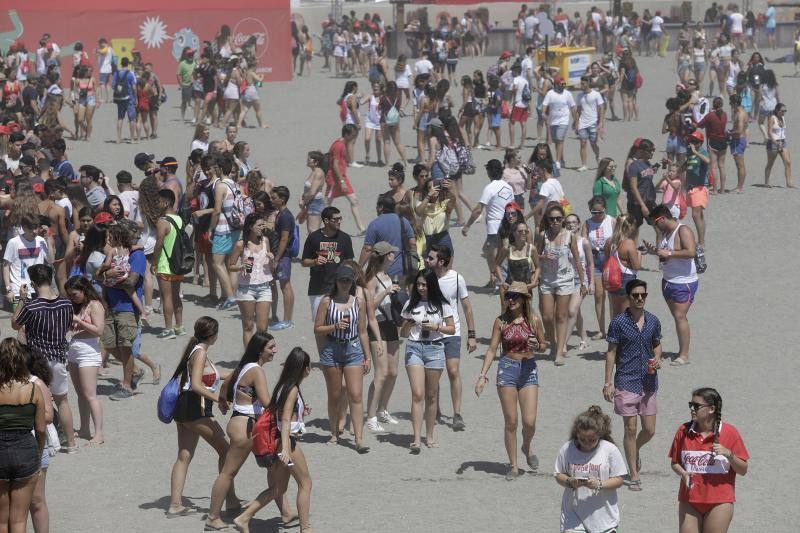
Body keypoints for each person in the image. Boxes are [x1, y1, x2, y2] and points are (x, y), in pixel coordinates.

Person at [205, 333, 296, 530]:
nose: (275, 350)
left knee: (272, 468)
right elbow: (267, 403)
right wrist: (291, 406)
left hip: (239, 421)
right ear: (260, 350)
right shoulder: (256, 371)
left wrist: (223, 403)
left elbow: (225, 385)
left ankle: (287, 513)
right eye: (271, 347)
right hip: (245, 426)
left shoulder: (243, 367)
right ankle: (212, 517)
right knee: (228, 472)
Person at [232, 348, 313, 533]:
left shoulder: (283, 385)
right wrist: (286, 448)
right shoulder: (292, 389)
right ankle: (306, 528)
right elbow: (285, 420)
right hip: (287, 442)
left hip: (277, 440)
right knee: (305, 483)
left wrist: (301, 410)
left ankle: (244, 518)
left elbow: (283, 413)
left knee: (278, 488)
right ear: (305, 369)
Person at [168, 317, 240, 518]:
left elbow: (212, 375)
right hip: (196, 409)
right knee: (226, 451)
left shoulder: (196, 350)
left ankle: (175, 505)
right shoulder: (200, 353)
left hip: (183, 409)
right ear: (213, 335)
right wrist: (220, 399)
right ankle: (231, 500)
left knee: (184, 456)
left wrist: (238, 373)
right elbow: (197, 385)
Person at [475, 281, 545, 479]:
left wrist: (538, 346)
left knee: (529, 422)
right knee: (511, 422)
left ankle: (526, 446)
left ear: (524, 299)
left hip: (528, 369)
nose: (511, 300)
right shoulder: (501, 322)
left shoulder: (534, 320)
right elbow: (491, 349)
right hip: (507, 369)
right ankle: (514, 466)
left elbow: (544, 345)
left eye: (515, 296)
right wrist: (482, 376)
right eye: (508, 296)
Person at [602, 279, 662, 491]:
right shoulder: (618, 323)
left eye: (643, 295)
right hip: (626, 380)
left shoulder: (653, 321)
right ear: (628, 297)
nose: (639, 299)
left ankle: (633, 450)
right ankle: (634, 475)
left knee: (649, 430)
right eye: (635, 295)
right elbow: (611, 353)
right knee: (630, 428)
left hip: (648, 381)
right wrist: (608, 382)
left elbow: (657, 344)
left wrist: (658, 358)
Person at [11, 264, 75, 455]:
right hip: (59, 358)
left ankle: (43, 446)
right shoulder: (66, 304)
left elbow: (15, 324)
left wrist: (21, 299)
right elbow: (68, 327)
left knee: (37, 403)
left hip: (38, 361)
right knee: (63, 401)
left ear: (33, 283)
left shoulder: (31, 306)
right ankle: (71, 443)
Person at [668, 387, 749, 533]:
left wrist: (730, 454)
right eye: (691, 405)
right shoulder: (683, 431)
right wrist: (683, 473)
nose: (692, 409)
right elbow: (675, 463)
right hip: (689, 501)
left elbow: (743, 469)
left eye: (696, 406)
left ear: (711, 409)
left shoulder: (729, 433)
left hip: (719, 502)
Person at [313, 265, 372, 452]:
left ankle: (359, 438)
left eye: (348, 281)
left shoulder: (358, 302)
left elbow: (362, 331)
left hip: (353, 348)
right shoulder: (327, 302)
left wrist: (368, 356)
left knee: (356, 394)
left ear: (352, 282)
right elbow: (317, 328)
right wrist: (335, 326)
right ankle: (333, 433)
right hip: (332, 348)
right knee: (335, 395)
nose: (345, 284)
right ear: (336, 281)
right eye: (342, 280)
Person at [400, 270, 455, 453]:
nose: (421, 288)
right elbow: (402, 334)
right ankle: (416, 438)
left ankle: (429, 435)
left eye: (424, 284)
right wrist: (407, 325)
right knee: (417, 394)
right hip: (414, 347)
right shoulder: (410, 303)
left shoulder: (442, 304)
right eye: (418, 284)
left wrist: (436, 327)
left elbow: (452, 329)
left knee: (431, 395)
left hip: (435, 348)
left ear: (432, 284)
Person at [425, 244, 477, 431]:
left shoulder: (456, 278)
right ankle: (435, 409)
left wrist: (471, 335)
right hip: (432, 332)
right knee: (434, 373)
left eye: (430, 258)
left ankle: (457, 413)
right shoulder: (426, 277)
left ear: (441, 261)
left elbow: (467, 307)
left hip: (452, 331)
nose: (426, 260)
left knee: (453, 371)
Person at [95, 220, 146, 400]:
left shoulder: (137, 256)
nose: (109, 238)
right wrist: (106, 275)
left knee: (125, 346)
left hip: (127, 308)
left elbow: (131, 282)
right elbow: (97, 275)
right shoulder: (114, 252)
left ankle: (127, 385)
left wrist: (107, 280)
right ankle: (136, 371)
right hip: (110, 306)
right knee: (108, 343)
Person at [554, 406, 627, 533]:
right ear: (577, 433)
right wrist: (570, 482)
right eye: (582, 439)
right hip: (573, 514)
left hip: (603, 517)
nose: (586, 443)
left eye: (591, 440)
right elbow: (558, 474)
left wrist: (599, 484)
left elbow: (619, 479)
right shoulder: (567, 448)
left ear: (599, 434)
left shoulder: (610, 450)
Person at [0, 338, 46, 533]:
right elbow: (41, 429)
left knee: (1, 520)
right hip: (25, 450)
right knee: (19, 520)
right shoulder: (33, 389)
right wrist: (38, 452)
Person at [645, 205, 699, 366]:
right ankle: (682, 351)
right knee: (677, 317)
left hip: (684, 281)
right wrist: (655, 252)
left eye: (655, 222)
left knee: (680, 317)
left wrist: (668, 253)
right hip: (668, 280)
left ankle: (684, 355)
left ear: (662, 218)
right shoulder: (665, 233)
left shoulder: (683, 230)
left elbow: (691, 252)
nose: (655, 226)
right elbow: (666, 255)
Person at [537, 203, 586, 366]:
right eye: (552, 219)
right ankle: (553, 343)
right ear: (548, 220)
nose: (555, 222)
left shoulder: (569, 236)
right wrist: (543, 257)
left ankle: (559, 352)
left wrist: (583, 282)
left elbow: (577, 260)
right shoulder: (543, 235)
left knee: (561, 316)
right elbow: (534, 255)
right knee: (547, 316)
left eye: (558, 218)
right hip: (547, 279)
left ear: (563, 219)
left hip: (565, 279)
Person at [364, 243, 402, 432]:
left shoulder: (388, 275)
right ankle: (371, 417)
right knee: (381, 374)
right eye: (391, 252)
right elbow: (369, 306)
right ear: (385, 255)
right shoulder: (372, 278)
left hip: (390, 324)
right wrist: (386, 292)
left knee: (393, 372)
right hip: (376, 326)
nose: (394, 254)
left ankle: (382, 410)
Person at [64, 276, 105, 445]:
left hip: (88, 352)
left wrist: (79, 321)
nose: (72, 298)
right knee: (80, 394)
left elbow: (99, 330)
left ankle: (99, 434)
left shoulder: (95, 305)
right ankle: (84, 428)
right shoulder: (78, 306)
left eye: (74, 294)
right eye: (70, 295)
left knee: (90, 395)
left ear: (84, 290)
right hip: (74, 350)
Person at [462, 159, 515, 287]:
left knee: (496, 255)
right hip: (508, 225)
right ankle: (494, 277)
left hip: (495, 227)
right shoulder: (508, 187)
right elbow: (513, 206)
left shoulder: (489, 188)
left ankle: (498, 281)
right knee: (487, 250)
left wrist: (467, 226)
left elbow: (478, 210)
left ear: (489, 172)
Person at [228, 213, 274, 347]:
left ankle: (259, 353)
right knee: (248, 326)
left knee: (262, 328)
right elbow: (230, 265)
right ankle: (249, 356)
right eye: (259, 225)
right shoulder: (241, 245)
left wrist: (272, 260)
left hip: (264, 286)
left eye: (263, 225)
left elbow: (271, 266)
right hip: (246, 288)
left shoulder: (265, 241)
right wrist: (240, 267)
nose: (262, 228)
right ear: (250, 226)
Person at [151, 189, 185, 339]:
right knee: (176, 296)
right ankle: (179, 326)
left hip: (165, 264)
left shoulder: (162, 221)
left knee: (167, 297)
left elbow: (159, 244)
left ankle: (168, 328)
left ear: (166, 202)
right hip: (177, 264)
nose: (157, 204)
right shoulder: (179, 219)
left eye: (158, 201)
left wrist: (154, 262)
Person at [3, 214, 53, 310]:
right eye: (31, 228)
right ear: (23, 227)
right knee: (20, 319)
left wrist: (48, 239)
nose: (34, 231)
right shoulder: (13, 242)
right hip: (19, 289)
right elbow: (6, 266)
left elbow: (51, 260)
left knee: (38, 319)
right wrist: (8, 289)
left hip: (38, 289)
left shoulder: (41, 241)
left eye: (36, 228)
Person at [359, 195, 415, 280]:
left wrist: (358, 268)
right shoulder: (404, 221)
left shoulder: (375, 224)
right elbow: (412, 243)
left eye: (377, 206)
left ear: (381, 207)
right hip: (402, 269)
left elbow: (367, 249)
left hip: (382, 271)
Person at [583, 196, 615, 340]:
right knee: (599, 295)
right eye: (593, 212)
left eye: (599, 212)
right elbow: (583, 242)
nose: (596, 215)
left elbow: (619, 238)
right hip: (594, 260)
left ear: (605, 209)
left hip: (609, 259)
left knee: (613, 296)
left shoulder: (611, 221)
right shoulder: (587, 223)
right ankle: (601, 329)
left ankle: (614, 328)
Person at [327, 124, 367, 234]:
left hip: (342, 177)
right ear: (346, 134)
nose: (354, 138)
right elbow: (335, 165)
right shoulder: (338, 146)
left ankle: (362, 229)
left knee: (354, 201)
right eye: (353, 135)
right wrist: (341, 181)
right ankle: (317, 227)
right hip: (335, 179)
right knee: (326, 204)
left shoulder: (343, 144)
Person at [269, 186, 296, 330]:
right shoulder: (281, 214)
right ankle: (287, 320)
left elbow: (284, 239)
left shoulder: (285, 216)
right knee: (285, 286)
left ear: (282, 199)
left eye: (274, 198)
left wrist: (276, 259)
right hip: (282, 255)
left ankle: (287, 320)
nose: (271, 200)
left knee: (285, 286)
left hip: (283, 256)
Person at [604, 214, 641, 317]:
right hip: (626, 278)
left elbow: (607, 261)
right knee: (627, 314)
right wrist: (639, 254)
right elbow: (636, 266)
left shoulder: (609, 241)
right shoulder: (629, 243)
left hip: (612, 278)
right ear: (629, 226)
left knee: (615, 312)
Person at [542, 76, 577, 169]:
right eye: (561, 84)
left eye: (564, 84)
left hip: (563, 120)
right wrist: (543, 113)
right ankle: (561, 160)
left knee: (560, 139)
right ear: (556, 85)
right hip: (553, 121)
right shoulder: (550, 93)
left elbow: (573, 107)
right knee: (556, 141)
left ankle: (557, 161)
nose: (563, 85)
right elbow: (544, 105)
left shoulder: (568, 94)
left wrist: (575, 120)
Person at [683, 132, 710, 252]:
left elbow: (708, 161)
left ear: (700, 143)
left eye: (695, 141)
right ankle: (702, 241)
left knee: (695, 214)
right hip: (690, 187)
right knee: (699, 215)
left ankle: (701, 243)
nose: (693, 143)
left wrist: (695, 152)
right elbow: (684, 166)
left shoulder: (702, 152)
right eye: (691, 141)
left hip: (700, 187)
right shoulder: (690, 154)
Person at [575, 76, 604, 172]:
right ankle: (584, 165)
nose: (581, 85)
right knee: (583, 143)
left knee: (593, 143)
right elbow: (578, 110)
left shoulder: (596, 94)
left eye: (583, 83)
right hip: (582, 123)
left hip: (593, 122)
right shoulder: (579, 96)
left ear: (588, 83)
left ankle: (598, 156)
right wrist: (576, 123)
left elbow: (601, 108)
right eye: (581, 83)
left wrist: (601, 122)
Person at [764, 103, 794, 188]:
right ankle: (766, 182)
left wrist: (781, 142)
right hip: (773, 143)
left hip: (783, 142)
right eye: (782, 111)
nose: (784, 112)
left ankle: (789, 183)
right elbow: (769, 132)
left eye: (785, 111)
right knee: (770, 163)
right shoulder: (772, 118)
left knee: (788, 162)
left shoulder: (782, 118)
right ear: (777, 110)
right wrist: (776, 143)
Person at [112, 57, 138, 144]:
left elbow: (113, 85)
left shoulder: (116, 73)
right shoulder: (130, 74)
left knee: (120, 118)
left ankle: (118, 138)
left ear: (121, 63)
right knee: (131, 119)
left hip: (119, 98)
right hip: (129, 98)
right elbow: (134, 87)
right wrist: (136, 98)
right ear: (128, 64)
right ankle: (132, 139)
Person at [300, 151, 326, 234]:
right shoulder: (314, 172)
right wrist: (302, 198)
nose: (307, 160)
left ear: (316, 162)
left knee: (313, 231)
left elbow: (312, 192)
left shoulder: (318, 173)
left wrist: (304, 202)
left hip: (315, 203)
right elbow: (308, 191)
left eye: (309, 159)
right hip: (311, 202)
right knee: (311, 231)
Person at [728, 94, 749, 193]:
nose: (730, 104)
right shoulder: (742, 112)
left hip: (738, 141)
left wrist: (729, 133)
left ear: (735, 103)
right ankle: (739, 186)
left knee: (740, 165)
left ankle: (739, 187)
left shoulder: (740, 114)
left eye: (731, 103)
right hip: (740, 140)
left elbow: (740, 130)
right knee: (739, 165)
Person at [508, 63, 531, 149]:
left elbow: (515, 88)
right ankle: (522, 144)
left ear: (516, 71)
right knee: (523, 124)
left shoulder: (516, 79)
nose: (512, 73)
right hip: (525, 104)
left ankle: (512, 144)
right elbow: (528, 92)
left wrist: (512, 98)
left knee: (511, 123)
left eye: (512, 71)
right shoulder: (525, 81)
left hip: (517, 103)